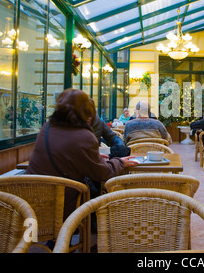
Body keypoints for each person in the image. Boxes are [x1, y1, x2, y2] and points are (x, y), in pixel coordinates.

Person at [26, 88, 138, 219]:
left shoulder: (47, 127)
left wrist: (91, 157)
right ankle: (94, 225)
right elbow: (102, 173)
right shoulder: (84, 136)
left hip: (31, 204)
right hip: (63, 206)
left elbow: (65, 155)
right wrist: (120, 162)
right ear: (85, 111)